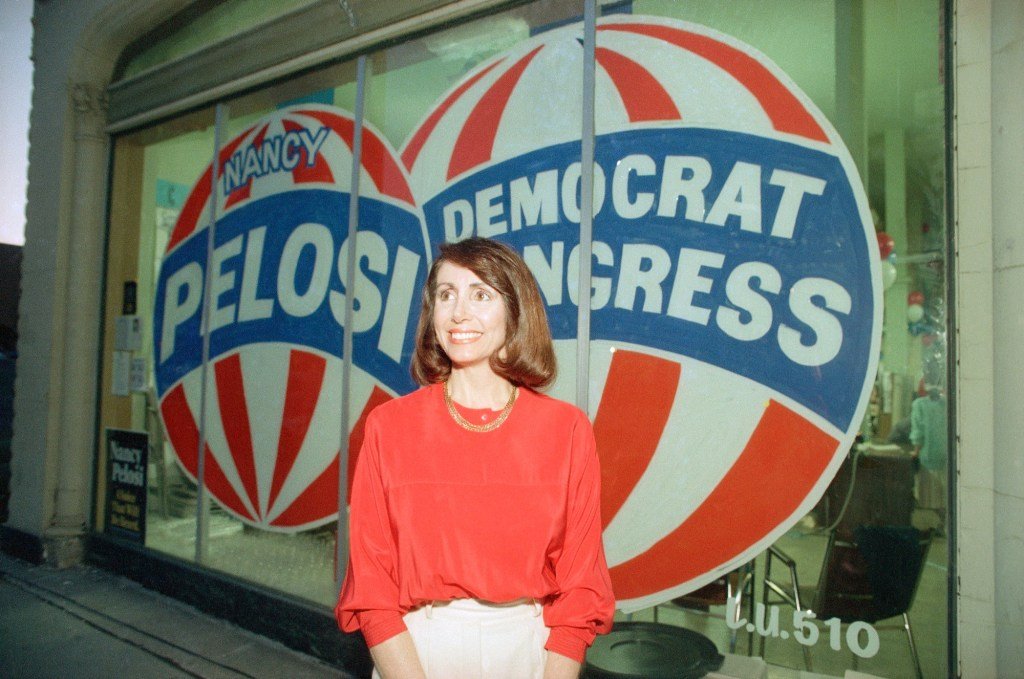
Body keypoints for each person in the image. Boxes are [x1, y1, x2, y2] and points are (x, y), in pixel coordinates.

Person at [336, 237, 615, 679]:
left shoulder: (567, 430)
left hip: (530, 651)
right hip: (414, 650)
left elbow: (581, 589)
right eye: (446, 295)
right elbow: (371, 587)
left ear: (515, 311)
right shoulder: (389, 426)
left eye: (481, 295)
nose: (459, 313)